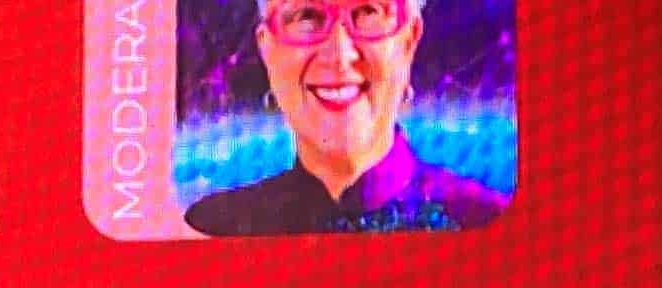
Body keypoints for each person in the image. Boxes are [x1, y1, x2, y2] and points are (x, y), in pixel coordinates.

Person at [184, 0, 506, 237]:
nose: (339, 56)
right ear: (267, 49)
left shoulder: (488, 224)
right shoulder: (211, 228)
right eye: (306, 16)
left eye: (367, 12)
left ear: (409, 40)